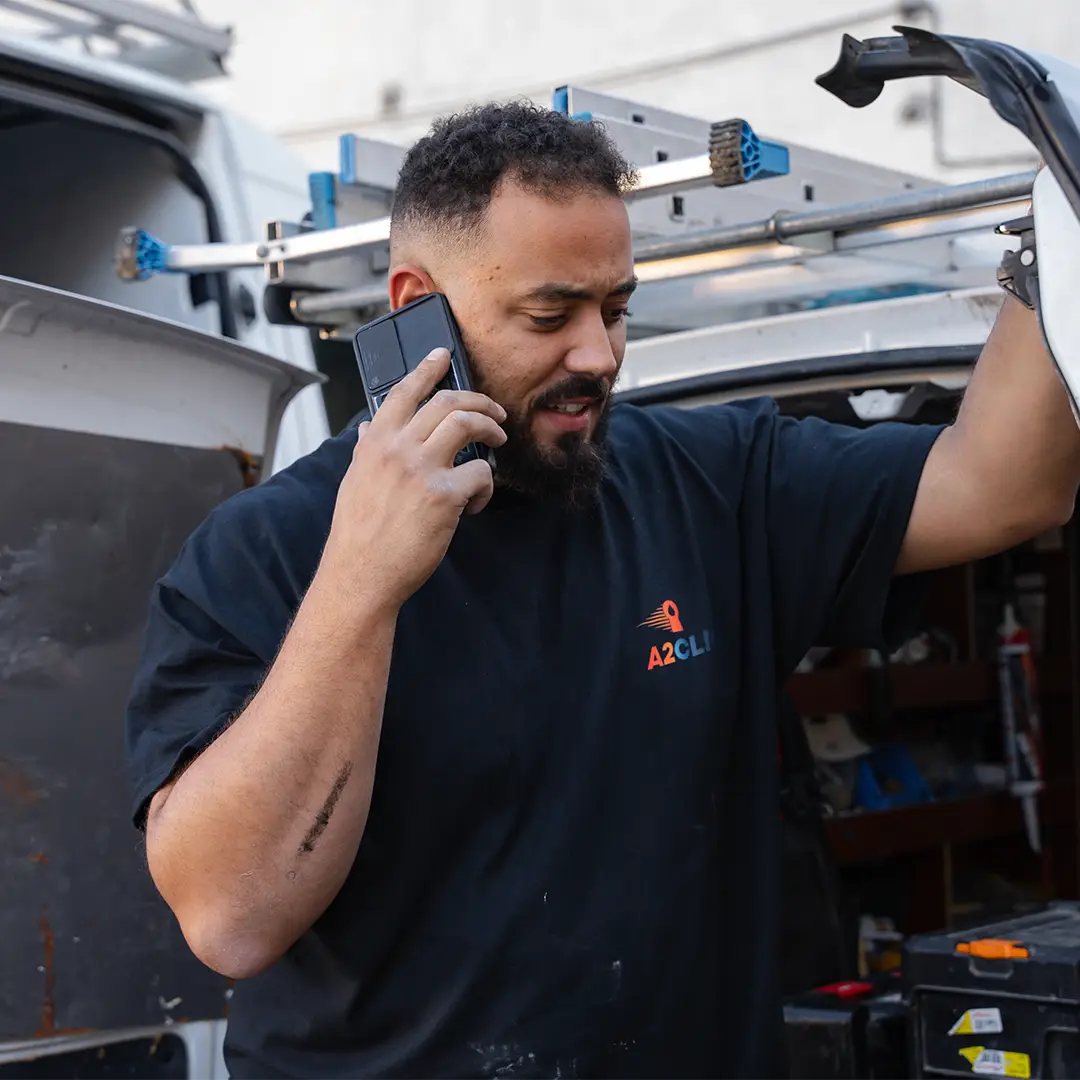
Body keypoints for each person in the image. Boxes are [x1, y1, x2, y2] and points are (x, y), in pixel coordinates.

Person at [124, 101, 1080, 1080]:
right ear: (418, 304)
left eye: (615, 308)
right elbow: (232, 919)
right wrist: (362, 584)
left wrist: (1056, 232)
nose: (600, 355)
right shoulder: (264, 551)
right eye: (551, 316)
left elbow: (1000, 486)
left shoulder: (710, 483)